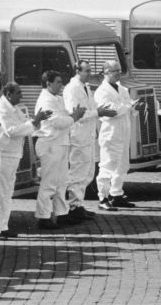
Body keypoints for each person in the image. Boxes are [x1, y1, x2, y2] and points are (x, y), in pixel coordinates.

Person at [0, 83, 51, 239]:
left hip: (12, 155)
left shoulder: (14, 108)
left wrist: (36, 121)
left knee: (7, 192)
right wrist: (34, 122)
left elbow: (23, 126)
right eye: (18, 93)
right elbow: (11, 131)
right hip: (2, 155)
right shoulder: (2, 109)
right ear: (8, 93)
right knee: (0, 193)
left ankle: (2, 226)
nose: (21, 96)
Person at [63, 60, 116, 220]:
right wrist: (97, 112)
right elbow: (76, 114)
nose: (89, 73)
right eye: (86, 71)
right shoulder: (72, 89)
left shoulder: (85, 87)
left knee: (88, 172)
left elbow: (92, 109)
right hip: (78, 136)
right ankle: (73, 206)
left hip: (88, 135)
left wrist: (97, 116)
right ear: (77, 71)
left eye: (90, 70)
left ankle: (79, 204)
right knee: (78, 172)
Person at [34, 71, 86, 230]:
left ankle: (61, 213)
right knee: (49, 183)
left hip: (60, 143)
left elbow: (64, 118)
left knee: (62, 182)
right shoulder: (46, 100)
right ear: (48, 83)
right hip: (50, 144)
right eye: (57, 82)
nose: (61, 85)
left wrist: (72, 116)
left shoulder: (57, 98)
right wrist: (74, 117)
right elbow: (58, 122)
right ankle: (43, 217)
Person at [94, 60, 141, 211]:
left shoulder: (122, 89)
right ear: (106, 72)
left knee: (122, 165)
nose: (118, 73)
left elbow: (127, 108)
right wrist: (129, 106)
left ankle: (117, 194)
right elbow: (111, 111)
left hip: (124, 132)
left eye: (119, 70)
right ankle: (103, 197)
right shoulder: (101, 92)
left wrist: (135, 108)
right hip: (111, 134)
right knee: (108, 166)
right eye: (114, 71)